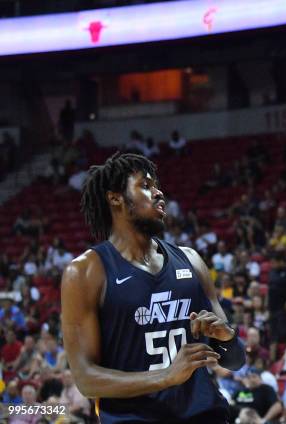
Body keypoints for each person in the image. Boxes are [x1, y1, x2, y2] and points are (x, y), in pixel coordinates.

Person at [61, 153, 245, 422]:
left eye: (156, 185)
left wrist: (226, 337)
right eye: (145, 186)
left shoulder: (191, 260)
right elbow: (86, 379)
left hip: (204, 413)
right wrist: (165, 377)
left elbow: (235, 361)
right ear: (115, 198)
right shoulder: (86, 272)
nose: (158, 192)